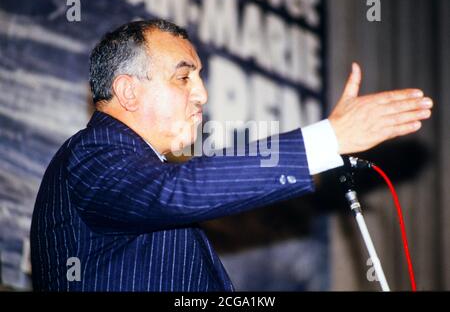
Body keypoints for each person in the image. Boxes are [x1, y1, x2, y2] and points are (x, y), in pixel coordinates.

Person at [30, 19, 433, 291]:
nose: (202, 94)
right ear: (128, 91)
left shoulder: (135, 175)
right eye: (184, 77)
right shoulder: (92, 151)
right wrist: (326, 139)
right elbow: (175, 191)